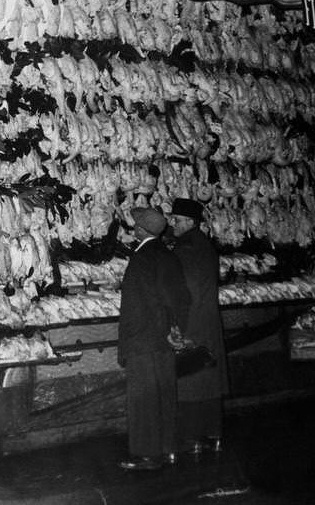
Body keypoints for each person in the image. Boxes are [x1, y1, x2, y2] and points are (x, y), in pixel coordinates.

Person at [117, 206, 191, 471]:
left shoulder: (141, 258)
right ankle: (168, 448)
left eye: (135, 225)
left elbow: (135, 305)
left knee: (143, 398)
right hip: (163, 338)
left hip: (142, 338)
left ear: (140, 230)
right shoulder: (167, 255)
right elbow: (180, 297)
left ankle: (147, 454)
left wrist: (129, 341)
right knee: (165, 394)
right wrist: (175, 329)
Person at [169, 197, 228, 454]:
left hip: (191, 321)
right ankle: (213, 434)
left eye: (178, 220)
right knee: (209, 378)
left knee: (190, 379)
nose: (174, 224)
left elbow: (184, 291)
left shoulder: (185, 250)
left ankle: (192, 438)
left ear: (191, 222)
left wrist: (177, 325)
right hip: (208, 319)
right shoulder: (205, 246)